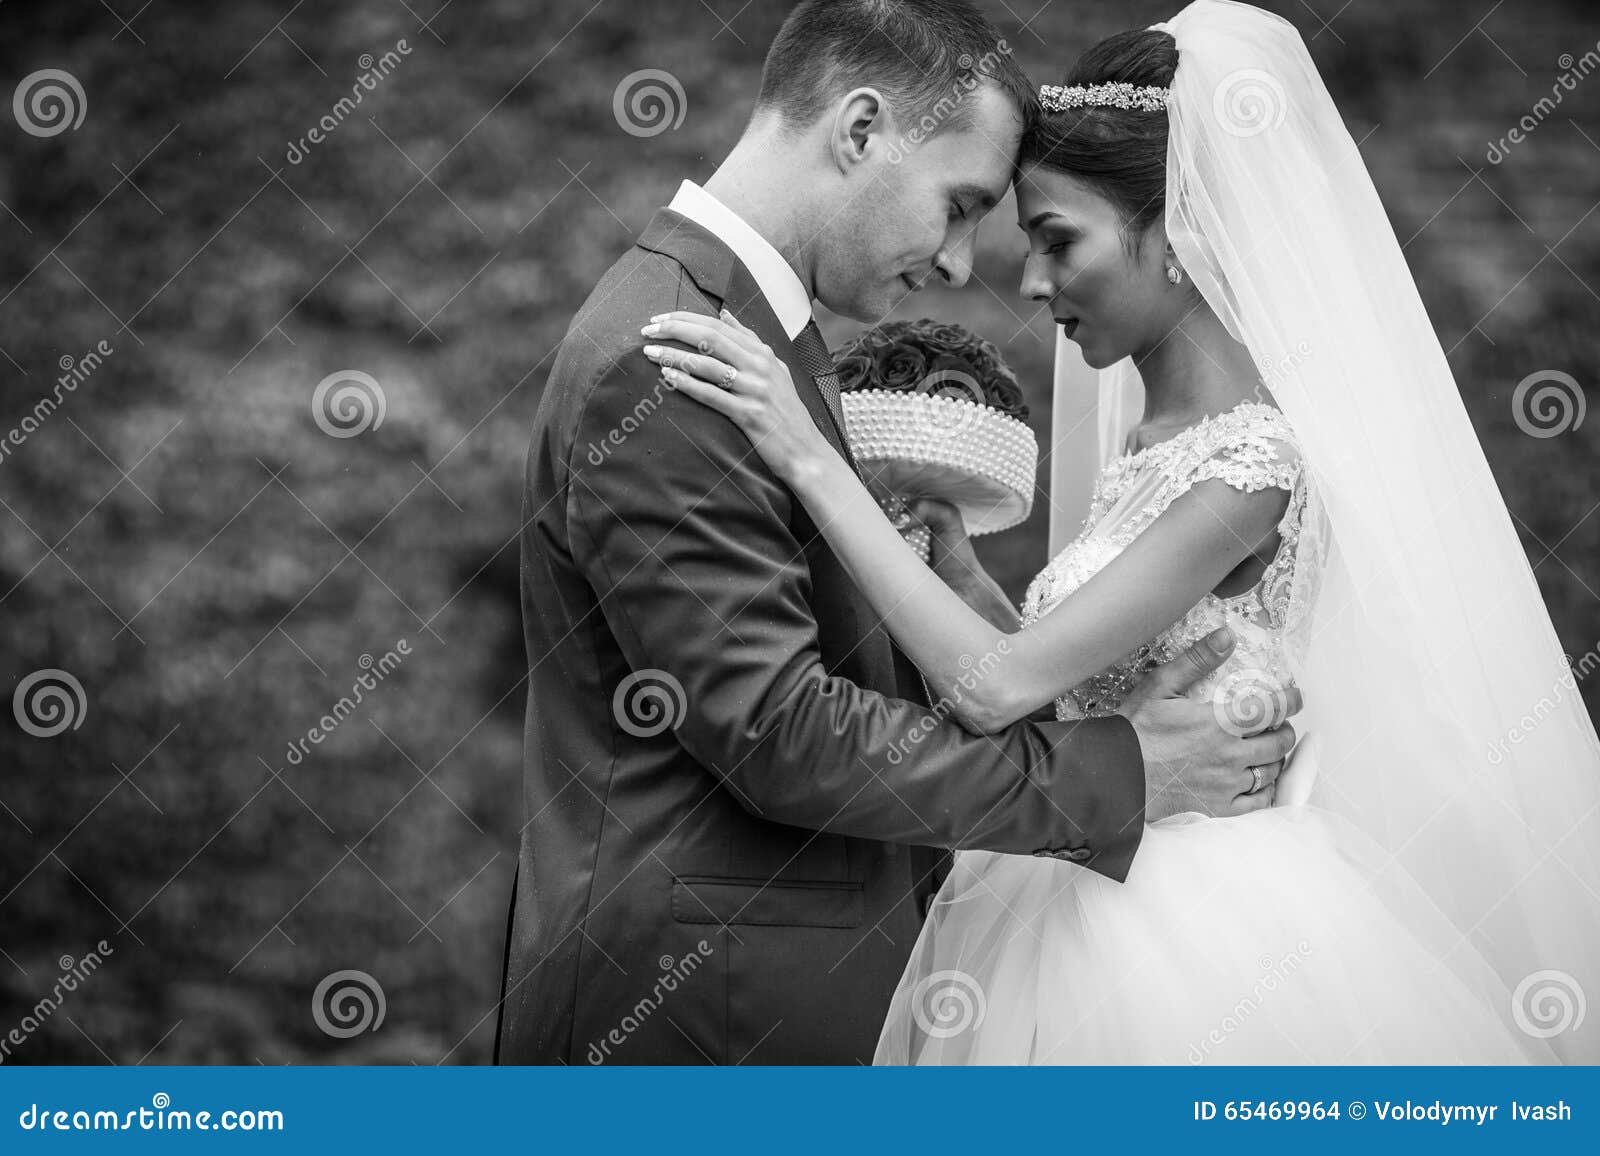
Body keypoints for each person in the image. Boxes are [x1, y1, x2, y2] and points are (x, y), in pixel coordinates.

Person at [652, 0, 1600, 1063]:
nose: (1029, 280)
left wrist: (808, 458)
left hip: (1194, 932)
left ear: (1182, 236)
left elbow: (996, 688)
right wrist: (962, 574)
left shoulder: (1252, 469)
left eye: (1057, 240)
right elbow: (1077, 682)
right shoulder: (1161, 444)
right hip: (1088, 869)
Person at [492, 0, 1295, 1066]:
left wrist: (1085, 691)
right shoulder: (675, 356)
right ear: (862, 131)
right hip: (702, 1015)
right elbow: (778, 730)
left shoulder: (758, 338)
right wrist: (1115, 768)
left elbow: (843, 669)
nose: (966, 264)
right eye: (959, 206)